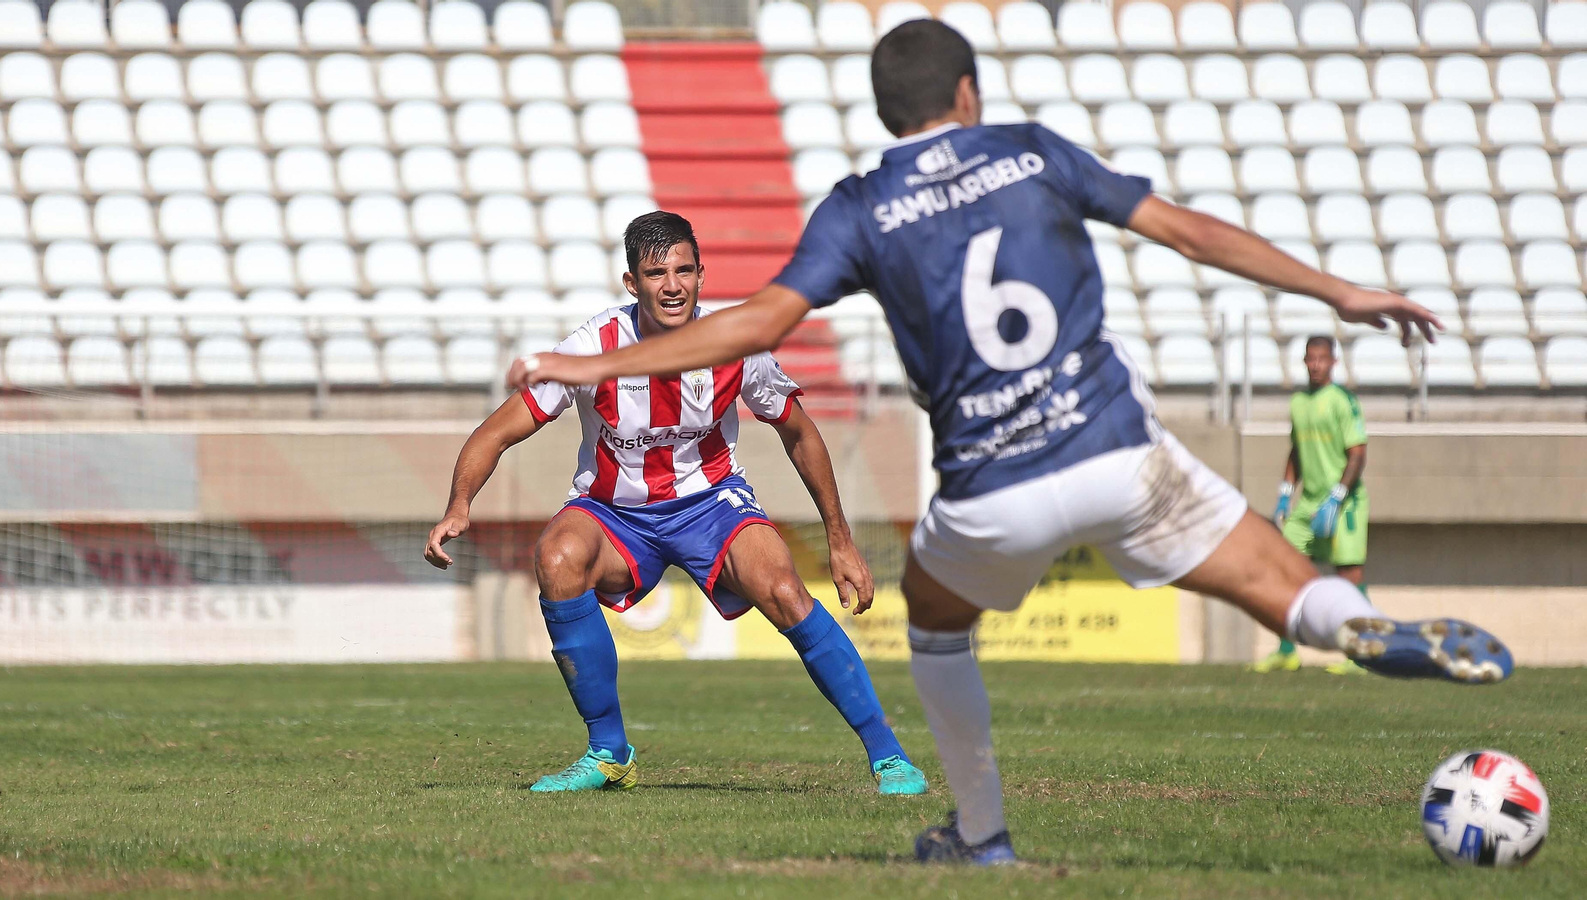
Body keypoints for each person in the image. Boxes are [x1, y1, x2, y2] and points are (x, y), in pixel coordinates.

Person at [508, 21, 1511, 864]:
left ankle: (982, 837)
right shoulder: (1031, 150)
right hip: (1116, 448)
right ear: (966, 92)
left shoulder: (861, 206)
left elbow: (756, 324)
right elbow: (1185, 232)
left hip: (991, 489)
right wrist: (1338, 291)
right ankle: (1346, 622)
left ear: (883, 111)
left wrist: (583, 367)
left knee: (939, 626)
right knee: (1276, 579)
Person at [425, 211, 927, 796]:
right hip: (614, 512)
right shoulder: (593, 347)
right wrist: (459, 505)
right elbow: (498, 430)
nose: (672, 284)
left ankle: (889, 757)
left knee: (786, 590)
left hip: (712, 504)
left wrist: (840, 540)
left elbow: (800, 432)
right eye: (656, 273)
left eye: (684, 271)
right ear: (631, 283)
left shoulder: (737, 345)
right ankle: (609, 752)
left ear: (701, 276)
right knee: (558, 559)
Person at [1253, 336, 1371, 676]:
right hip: (1307, 504)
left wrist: (1337, 496)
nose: (1316, 364)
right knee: (1283, 568)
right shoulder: (1299, 403)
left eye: (1322, 359)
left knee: (1349, 576)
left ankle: (1360, 653)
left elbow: (1358, 454)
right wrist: (1285, 492)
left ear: (1333, 362)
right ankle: (1287, 651)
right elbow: (1296, 450)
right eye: (1310, 359)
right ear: (1304, 362)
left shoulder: (1342, 401)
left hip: (1344, 502)